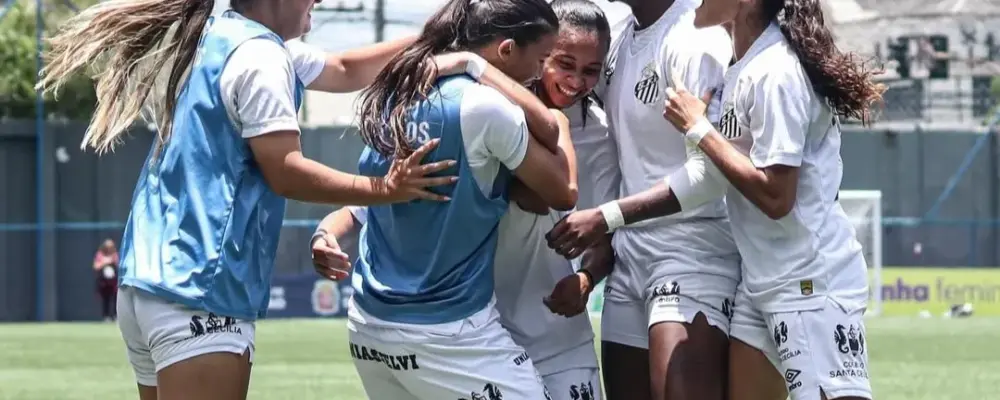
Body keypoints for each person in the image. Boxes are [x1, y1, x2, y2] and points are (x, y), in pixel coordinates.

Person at [36, 0, 465, 398]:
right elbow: (286, 170)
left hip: (148, 286)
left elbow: (345, 67)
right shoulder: (262, 58)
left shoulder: (218, 37)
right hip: (199, 291)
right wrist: (383, 189)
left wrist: (443, 38)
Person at [312, 2, 616, 399]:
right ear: (510, 49)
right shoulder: (485, 109)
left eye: (591, 70)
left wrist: (586, 277)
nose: (573, 79)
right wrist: (475, 68)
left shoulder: (597, 134)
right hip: (473, 329)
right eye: (552, 60)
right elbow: (558, 189)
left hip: (550, 336)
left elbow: (598, 225)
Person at [656, 1, 883, 399]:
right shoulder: (741, 66)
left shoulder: (775, 71)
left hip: (808, 282)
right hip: (761, 282)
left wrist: (699, 129)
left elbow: (777, 196)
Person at [544, 1, 737, 399]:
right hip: (629, 258)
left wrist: (605, 217)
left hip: (691, 252)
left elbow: (711, 174)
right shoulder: (617, 29)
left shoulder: (694, 39)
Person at [93, 239, 120, 322]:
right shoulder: (100, 255)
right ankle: (106, 316)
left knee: (116, 298)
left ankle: (116, 316)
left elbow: (119, 264)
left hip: (113, 281)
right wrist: (105, 262)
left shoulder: (115, 255)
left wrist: (113, 261)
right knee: (106, 299)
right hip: (104, 281)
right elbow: (96, 266)